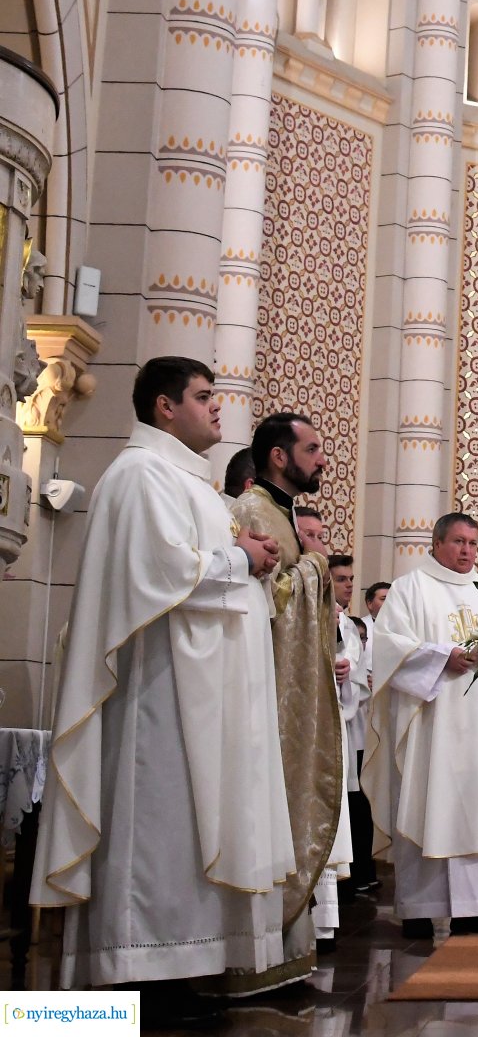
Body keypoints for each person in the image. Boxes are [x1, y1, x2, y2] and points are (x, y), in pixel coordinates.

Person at [31, 357, 291, 1024]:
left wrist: (243, 557)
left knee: (186, 833)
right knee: (158, 833)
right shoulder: (140, 475)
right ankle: (139, 978)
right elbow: (164, 573)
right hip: (160, 700)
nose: (217, 409)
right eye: (204, 397)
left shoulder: (188, 482)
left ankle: (179, 972)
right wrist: (245, 558)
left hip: (199, 696)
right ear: (164, 407)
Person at [229, 413, 342, 986]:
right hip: (266, 689)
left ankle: (282, 950)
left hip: (285, 685)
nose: (323, 459)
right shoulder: (251, 510)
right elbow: (264, 596)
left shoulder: (284, 513)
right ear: (279, 456)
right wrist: (316, 568)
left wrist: (309, 568)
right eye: (313, 448)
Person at [366, 513, 478, 940]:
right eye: (457, 542)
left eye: (473, 542)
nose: (467, 551)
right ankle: (418, 906)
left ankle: (474, 908)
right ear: (436, 543)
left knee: (472, 804)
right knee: (425, 801)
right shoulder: (410, 588)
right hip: (431, 719)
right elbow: (390, 646)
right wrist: (440, 657)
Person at [332, 556, 378, 896]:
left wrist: (349, 679)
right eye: (341, 579)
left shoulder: (349, 626)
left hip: (348, 726)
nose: (349, 584)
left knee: (354, 801)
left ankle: (352, 873)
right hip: (325, 723)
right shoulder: (316, 619)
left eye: (351, 578)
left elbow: (361, 676)